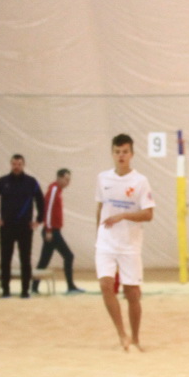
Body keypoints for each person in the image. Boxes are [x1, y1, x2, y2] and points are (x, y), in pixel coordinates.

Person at [95, 134, 155, 351]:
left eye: (125, 152)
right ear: (112, 153)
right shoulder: (103, 178)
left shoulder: (140, 181)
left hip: (130, 244)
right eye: (117, 152)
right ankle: (122, 334)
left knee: (132, 293)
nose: (121, 156)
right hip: (106, 242)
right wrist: (98, 234)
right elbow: (100, 208)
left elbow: (148, 214)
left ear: (132, 154)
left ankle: (136, 338)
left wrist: (123, 216)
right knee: (105, 284)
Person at [0, 154, 45, 298]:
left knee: (25, 260)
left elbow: (41, 201)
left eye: (19, 164)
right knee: (5, 259)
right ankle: (5, 290)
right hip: (7, 227)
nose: (16, 167)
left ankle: (25, 291)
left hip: (25, 227)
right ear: (10, 164)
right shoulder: (2, 181)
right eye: (14, 164)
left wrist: (38, 220)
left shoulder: (31, 182)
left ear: (23, 165)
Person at [32, 168, 84, 295]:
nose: (68, 182)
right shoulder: (54, 189)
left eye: (69, 180)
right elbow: (48, 210)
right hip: (52, 231)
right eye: (66, 179)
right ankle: (70, 286)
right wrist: (49, 229)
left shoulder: (57, 190)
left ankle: (34, 287)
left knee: (44, 260)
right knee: (68, 256)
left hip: (53, 230)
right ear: (59, 178)